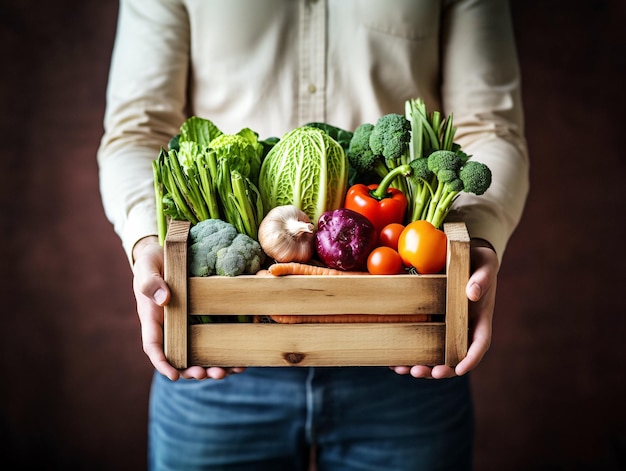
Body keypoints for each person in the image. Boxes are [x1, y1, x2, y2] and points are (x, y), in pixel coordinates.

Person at [97, 1, 529, 469]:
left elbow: (490, 126)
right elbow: (136, 131)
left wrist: (479, 240)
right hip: (223, 344)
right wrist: (148, 242)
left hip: (402, 344)